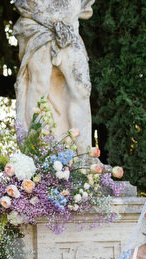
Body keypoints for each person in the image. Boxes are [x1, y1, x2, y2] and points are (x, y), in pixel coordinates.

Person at [13, 0, 95, 153]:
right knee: (39, 88)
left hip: (69, 29)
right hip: (38, 28)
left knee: (81, 89)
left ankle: (84, 156)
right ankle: (37, 154)